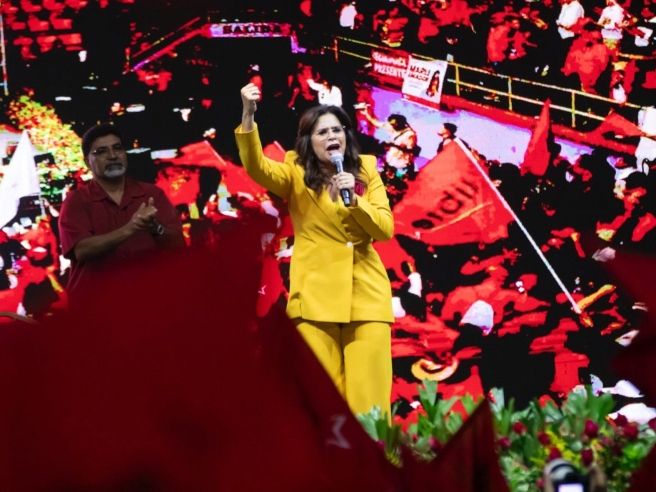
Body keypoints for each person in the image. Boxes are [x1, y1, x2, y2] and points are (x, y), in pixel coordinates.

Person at [235, 83, 394, 417]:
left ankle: (375, 452)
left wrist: (357, 202)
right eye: (323, 132)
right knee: (321, 403)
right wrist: (248, 116)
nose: (332, 136)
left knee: (371, 406)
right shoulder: (294, 173)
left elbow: (384, 229)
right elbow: (256, 166)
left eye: (337, 129)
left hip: (366, 297)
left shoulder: (366, 170)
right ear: (309, 141)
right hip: (314, 300)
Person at [58, 123, 183, 302]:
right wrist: (130, 228)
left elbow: (178, 244)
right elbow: (81, 250)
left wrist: (156, 229)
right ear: (87, 162)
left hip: (150, 299)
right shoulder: (76, 201)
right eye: (101, 151)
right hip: (95, 305)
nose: (112, 156)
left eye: (117, 148)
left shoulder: (152, 194)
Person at [360, 108, 418, 177]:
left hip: (400, 163)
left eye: (391, 126)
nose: (388, 127)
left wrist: (394, 146)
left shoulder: (409, 135)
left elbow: (410, 151)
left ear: (396, 126)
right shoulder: (392, 127)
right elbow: (377, 123)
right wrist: (367, 114)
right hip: (391, 159)